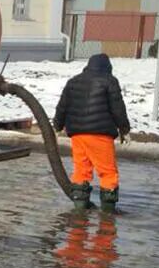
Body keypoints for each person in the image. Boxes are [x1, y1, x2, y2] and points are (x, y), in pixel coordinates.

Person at [53, 53, 131, 212]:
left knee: (81, 170)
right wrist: (124, 130)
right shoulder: (109, 81)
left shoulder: (73, 81)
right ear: (108, 67)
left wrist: (57, 126)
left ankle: (80, 211)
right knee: (108, 172)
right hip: (100, 134)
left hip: (77, 135)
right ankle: (108, 216)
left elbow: (62, 106)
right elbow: (118, 108)